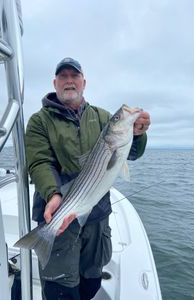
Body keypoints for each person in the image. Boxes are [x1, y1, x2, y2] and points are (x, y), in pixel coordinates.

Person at [25, 57, 150, 300]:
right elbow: (40, 162)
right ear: (55, 82)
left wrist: (137, 135)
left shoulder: (102, 117)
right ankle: (42, 240)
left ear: (84, 83)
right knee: (61, 289)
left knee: (91, 280)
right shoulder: (40, 121)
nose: (69, 81)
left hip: (97, 215)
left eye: (75, 76)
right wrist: (53, 193)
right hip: (59, 211)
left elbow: (132, 154)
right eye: (63, 76)